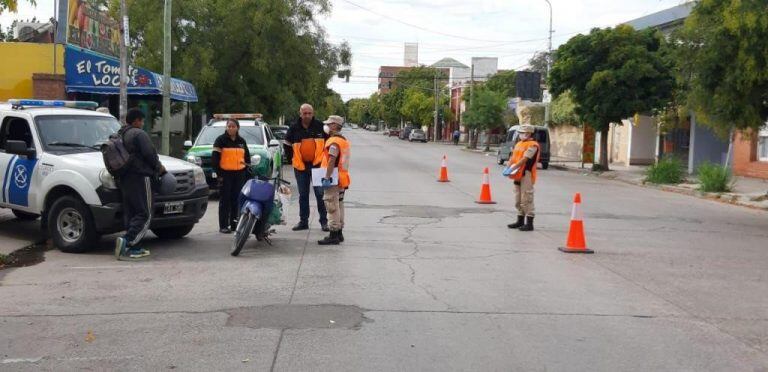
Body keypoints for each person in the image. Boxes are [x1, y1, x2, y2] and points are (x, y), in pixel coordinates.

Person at [114, 108, 166, 260]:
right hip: (141, 177)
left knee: (131, 212)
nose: (143, 123)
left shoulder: (120, 134)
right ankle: (127, 242)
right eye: (142, 120)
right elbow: (150, 154)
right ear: (136, 120)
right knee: (145, 213)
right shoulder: (138, 134)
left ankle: (134, 247)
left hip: (125, 178)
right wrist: (159, 168)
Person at [284, 104, 329, 232]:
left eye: (310, 113)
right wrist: (291, 159)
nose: (307, 115)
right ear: (300, 114)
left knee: (320, 195)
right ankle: (303, 222)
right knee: (303, 195)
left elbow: (330, 143)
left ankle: (324, 222)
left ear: (313, 113)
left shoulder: (321, 127)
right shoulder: (293, 128)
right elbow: (287, 144)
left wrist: (326, 160)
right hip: (300, 168)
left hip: (318, 166)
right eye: (305, 113)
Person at [211, 118, 251, 234]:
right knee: (225, 200)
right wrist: (219, 174)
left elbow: (246, 158)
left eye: (233, 126)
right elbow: (215, 159)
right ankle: (223, 226)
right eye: (229, 126)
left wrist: (247, 172)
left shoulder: (242, 141)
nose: (231, 128)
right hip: (225, 174)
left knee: (236, 199)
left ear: (237, 128)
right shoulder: (220, 140)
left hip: (239, 174)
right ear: (226, 127)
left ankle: (234, 225)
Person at [504, 113, 540, 232]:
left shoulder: (533, 145)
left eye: (523, 133)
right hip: (517, 174)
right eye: (520, 133)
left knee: (527, 198)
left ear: (529, 133)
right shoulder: (519, 144)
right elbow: (513, 158)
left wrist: (512, 168)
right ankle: (519, 220)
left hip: (527, 174)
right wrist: (508, 167)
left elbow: (524, 159)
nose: (520, 135)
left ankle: (529, 223)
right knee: (517, 198)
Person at [318, 115, 350, 245]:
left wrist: (327, 177)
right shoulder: (343, 140)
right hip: (342, 178)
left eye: (329, 124)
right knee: (339, 204)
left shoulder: (334, 142)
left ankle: (333, 234)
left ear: (335, 126)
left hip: (333, 178)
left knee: (331, 205)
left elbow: (331, 160)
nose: (327, 126)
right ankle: (339, 232)